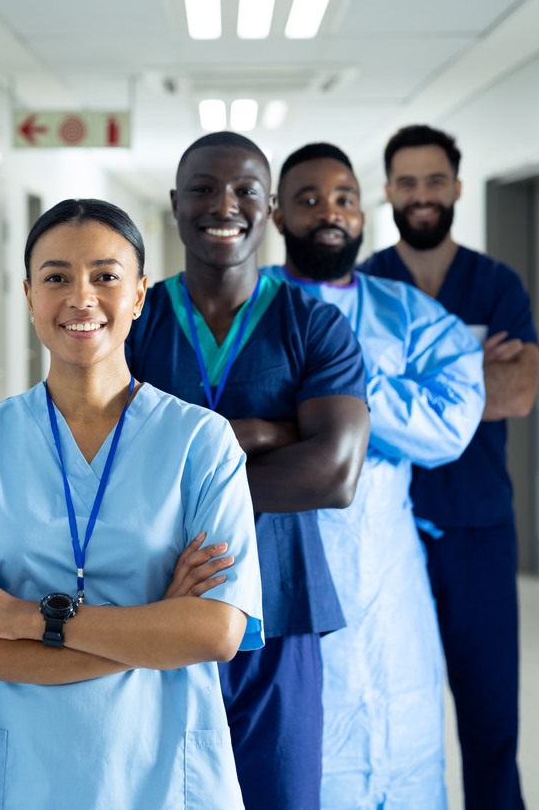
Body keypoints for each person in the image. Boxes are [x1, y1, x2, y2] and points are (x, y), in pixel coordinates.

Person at [0, 198, 264, 810]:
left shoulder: (201, 441)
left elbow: (216, 632)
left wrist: (23, 619)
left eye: (106, 276)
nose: (82, 298)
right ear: (29, 296)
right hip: (14, 777)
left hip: (159, 771)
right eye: (56, 277)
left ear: (138, 296)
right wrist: (157, 625)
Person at [126, 131, 370, 810]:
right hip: (151, 603)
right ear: (175, 203)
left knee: (282, 797)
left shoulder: (311, 325)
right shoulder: (135, 321)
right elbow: (103, 461)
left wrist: (183, 466)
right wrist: (267, 433)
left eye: (244, 191)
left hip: (281, 606)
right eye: (203, 188)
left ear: (270, 212)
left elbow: (333, 476)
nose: (222, 204)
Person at [264, 142, 485, 810]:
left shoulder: (408, 314)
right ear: (275, 214)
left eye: (343, 198)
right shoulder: (249, 311)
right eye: (306, 199)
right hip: (283, 564)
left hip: (388, 573)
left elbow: (449, 425)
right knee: (298, 755)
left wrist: (330, 392)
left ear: (364, 214)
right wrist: (376, 404)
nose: (327, 212)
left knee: (405, 745)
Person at [361, 125, 539, 810]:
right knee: (387, 718)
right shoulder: (370, 282)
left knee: (490, 724)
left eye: (434, 181)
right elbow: (338, 402)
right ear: (388, 193)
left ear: (457, 187)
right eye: (406, 183)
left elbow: (520, 391)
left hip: (478, 533)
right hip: (386, 535)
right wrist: (468, 375)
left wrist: (399, 390)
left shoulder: (495, 283)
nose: (421, 195)